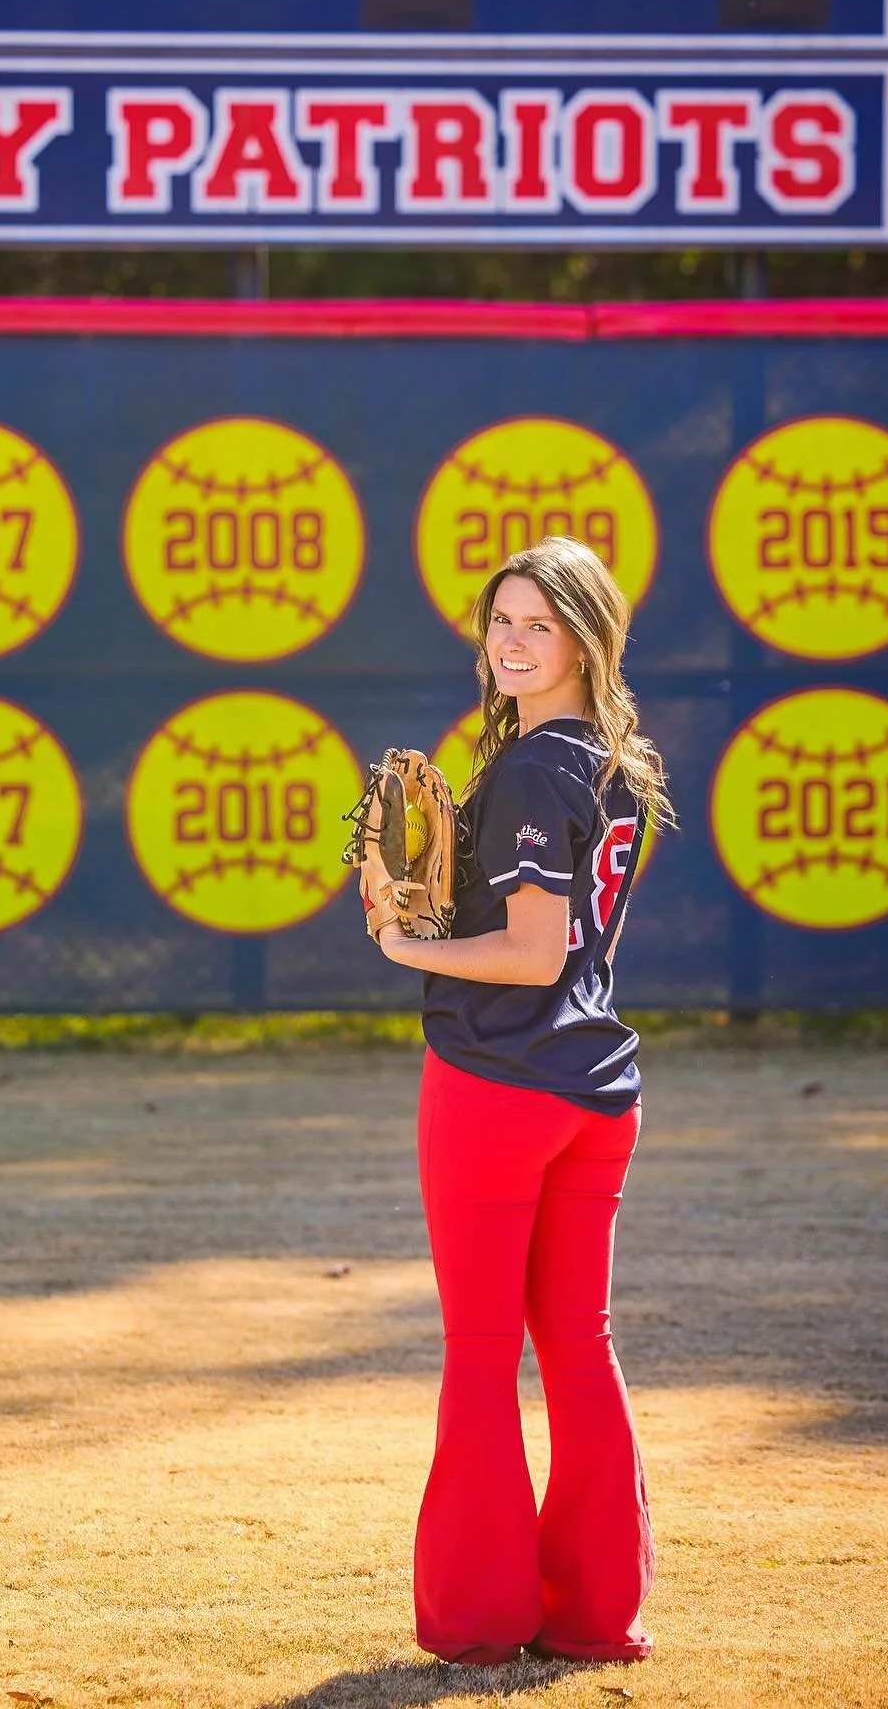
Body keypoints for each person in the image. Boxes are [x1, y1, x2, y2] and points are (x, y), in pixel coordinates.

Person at [370, 536, 674, 1666]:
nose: (511, 641)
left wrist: (407, 946)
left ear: (586, 641)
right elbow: (573, 952)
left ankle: (482, 1618)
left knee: (484, 1351)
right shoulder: (615, 761)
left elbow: (536, 954)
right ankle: (594, 1614)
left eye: (539, 625)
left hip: (499, 1088)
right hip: (596, 1091)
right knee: (581, 1351)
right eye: (501, 620)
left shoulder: (539, 769)